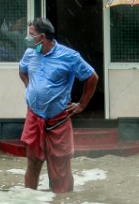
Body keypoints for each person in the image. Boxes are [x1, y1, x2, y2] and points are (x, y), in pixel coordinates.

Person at [18, 17, 97, 194]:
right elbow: (22, 71)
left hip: (58, 119)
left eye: (31, 35)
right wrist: (31, 88)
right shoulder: (29, 53)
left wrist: (82, 105)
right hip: (34, 116)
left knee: (60, 167)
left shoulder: (69, 56)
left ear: (42, 37)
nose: (27, 38)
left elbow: (92, 77)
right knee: (33, 163)